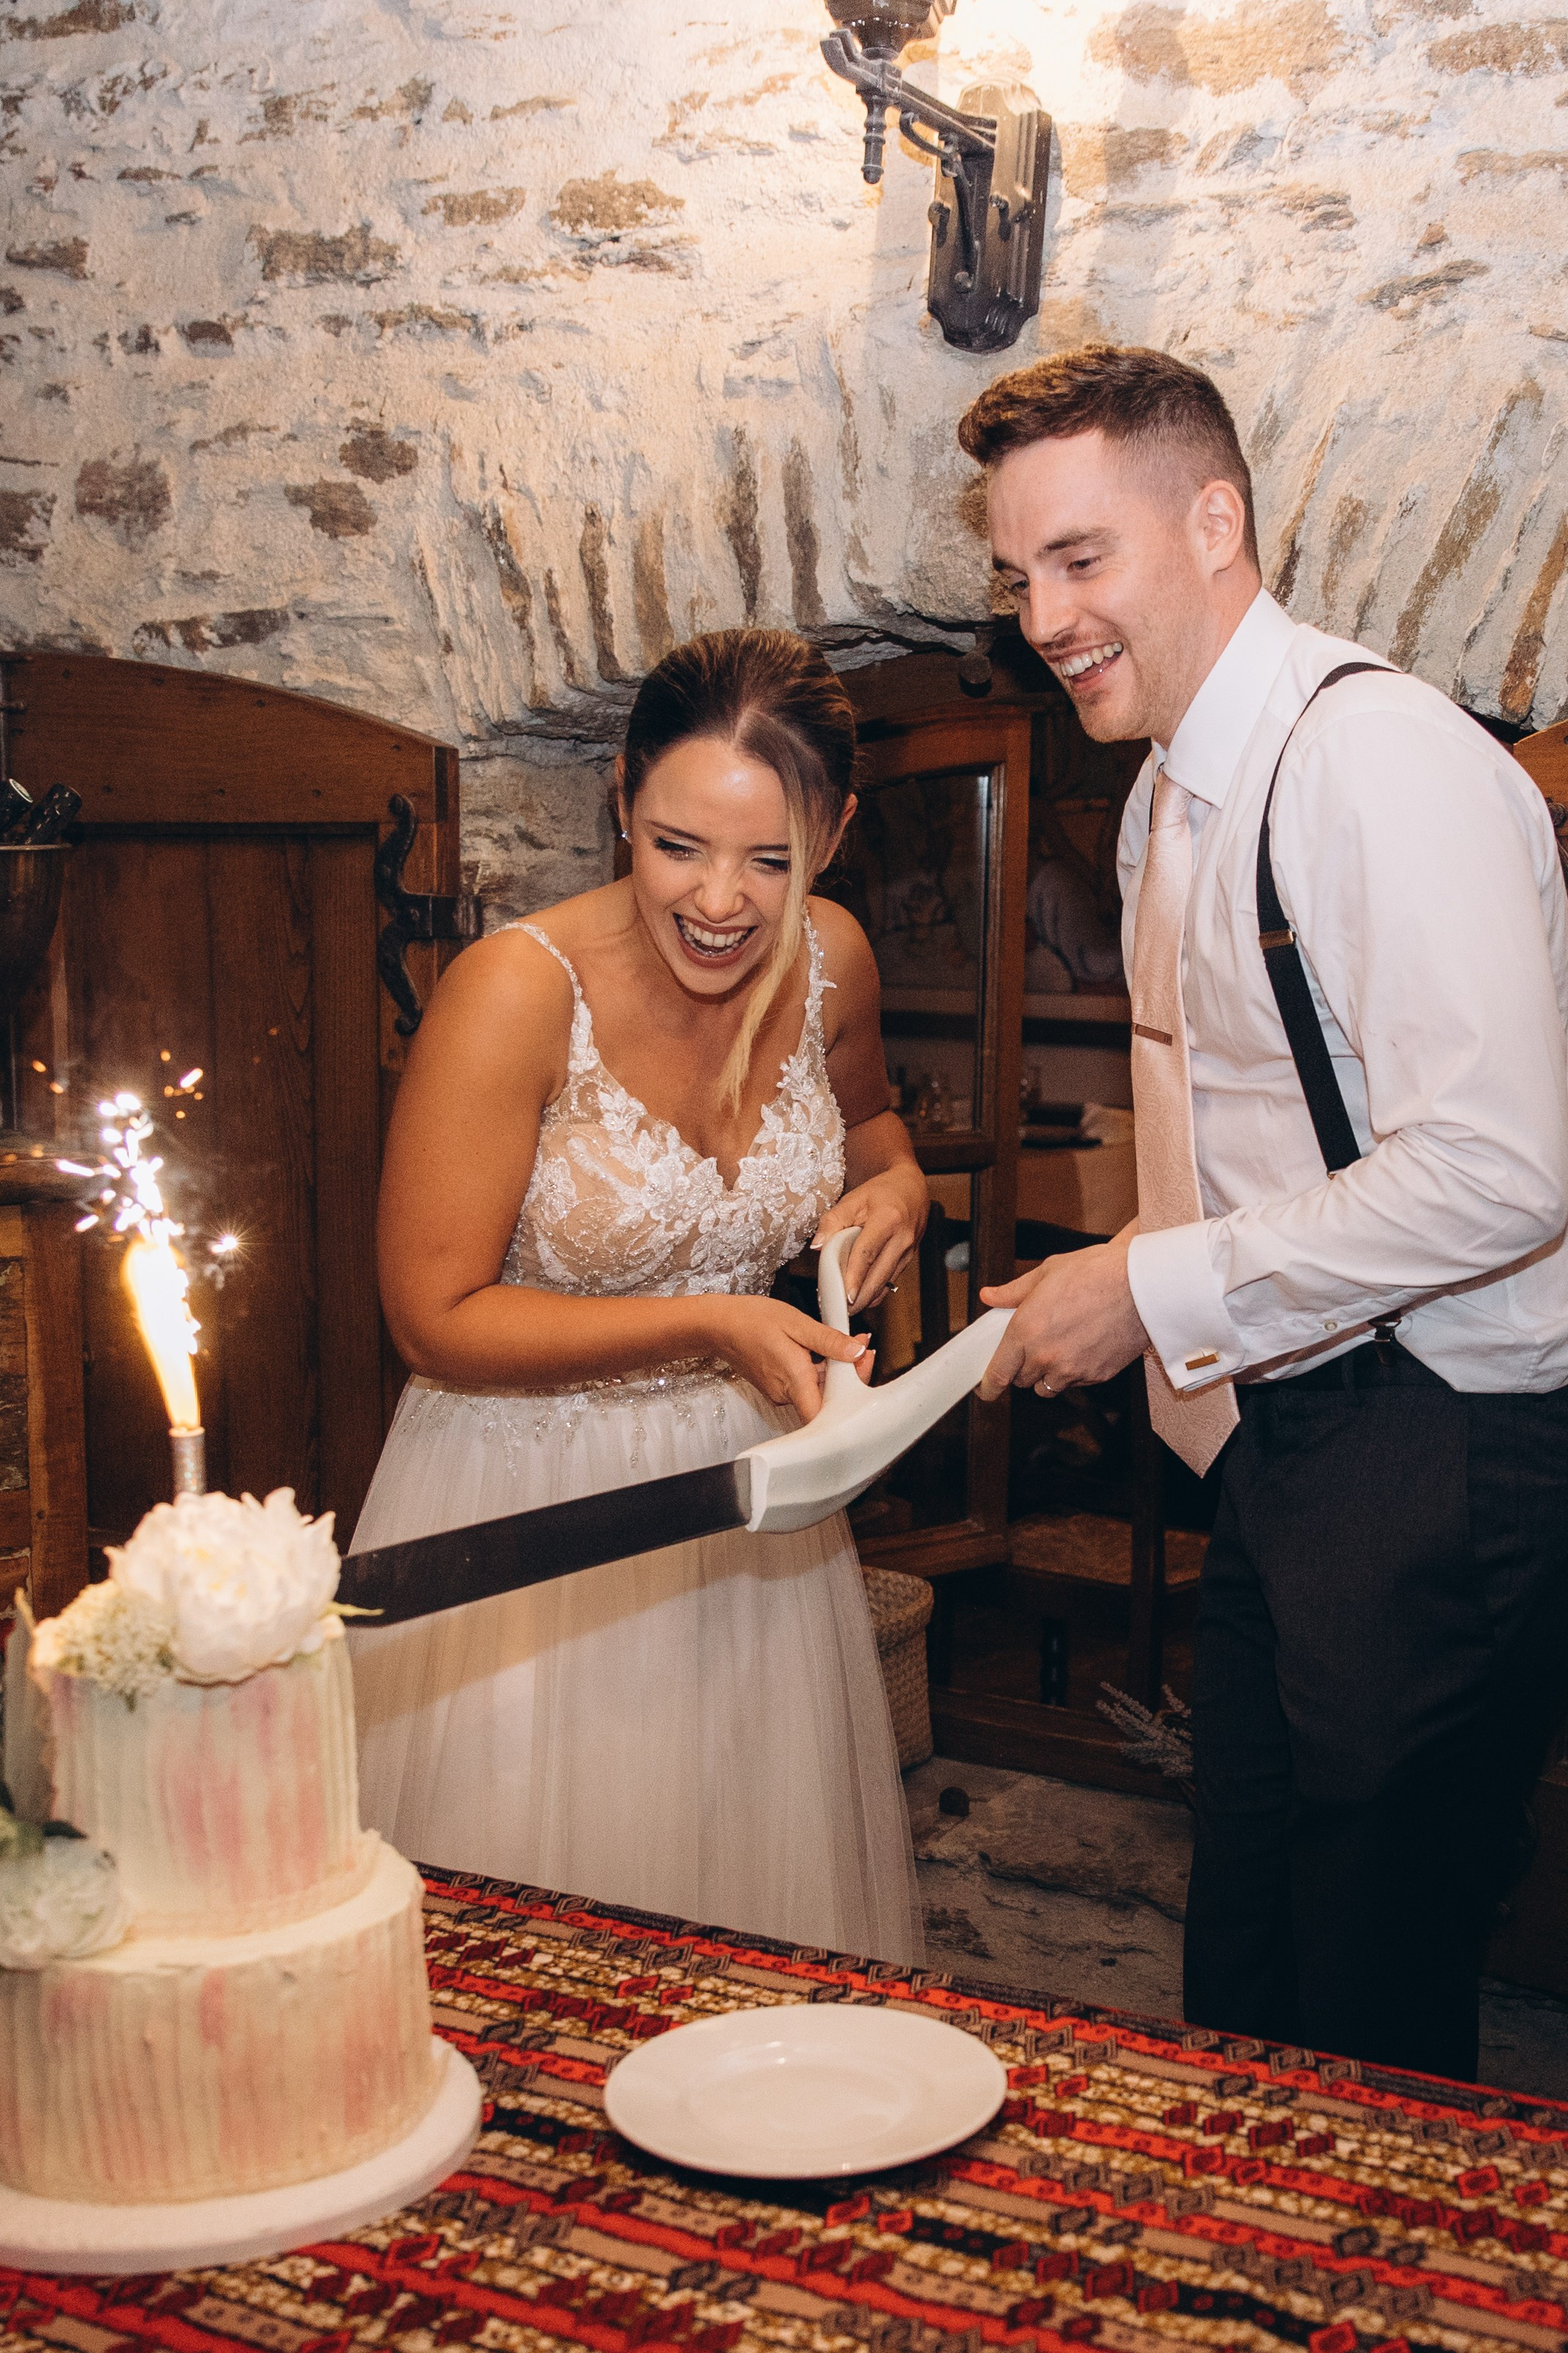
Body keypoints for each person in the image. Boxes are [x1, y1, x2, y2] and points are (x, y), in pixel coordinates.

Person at [961, 343, 1568, 2079]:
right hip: (1288, 1437)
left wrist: (1149, 1288)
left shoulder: (1375, 761)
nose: (1044, 616)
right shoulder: (1164, 791)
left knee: (1371, 1987)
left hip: (1442, 1452)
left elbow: (1504, 1173)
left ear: (1215, 521)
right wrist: (1155, 1329)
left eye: (1081, 560)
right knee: (1248, 1946)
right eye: (1018, 580)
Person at [347, 629, 929, 1965]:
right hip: (529, 1507)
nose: (721, 901)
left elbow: (878, 1125)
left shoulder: (833, 961)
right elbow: (433, 1316)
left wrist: (896, 1195)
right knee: (535, 1944)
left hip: (752, 1513)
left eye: (769, 860)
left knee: (748, 1907)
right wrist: (713, 1320)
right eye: (679, 845)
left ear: (831, 839)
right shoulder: (513, 994)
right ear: (620, 801)